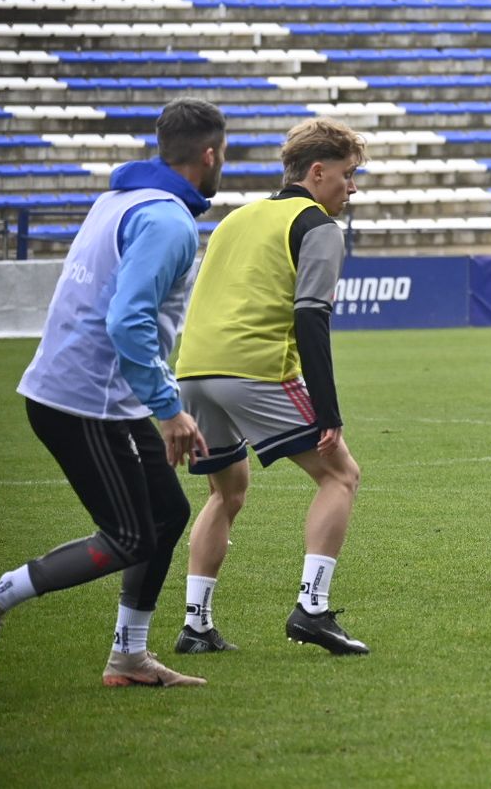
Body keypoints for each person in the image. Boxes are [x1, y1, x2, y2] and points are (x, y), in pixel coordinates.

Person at [0, 98, 226, 688]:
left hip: (98, 395)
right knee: (127, 535)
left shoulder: (118, 197)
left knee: (169, 512)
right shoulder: (168, 219)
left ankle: (128, 656)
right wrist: (169, 409)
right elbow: (128, 321)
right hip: (82, 401)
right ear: (209, 154)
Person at [172, 117, 369, 656]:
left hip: (192, 371)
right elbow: (312, 317)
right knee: (341, 475)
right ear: (318, 170)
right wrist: (328, 411)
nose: (353, 187)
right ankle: (312, 608)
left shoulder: (236, 217)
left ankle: (196, 625)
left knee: (226, 492)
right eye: (349, 175)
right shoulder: (318, 225)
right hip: (252, 369)